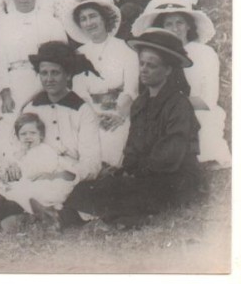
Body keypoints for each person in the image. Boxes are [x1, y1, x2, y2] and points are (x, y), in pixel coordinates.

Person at [54, 29, 199, 231]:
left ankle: (103, 220)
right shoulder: (140, 102)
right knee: (91, 186)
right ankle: (79, 217)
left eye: (152, 65)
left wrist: (135, 173)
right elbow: (132, 146)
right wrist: (126, 169)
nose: (144, 70)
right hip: (143, 173)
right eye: (142, 64)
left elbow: (170, 154)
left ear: (168, 70)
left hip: (173, 177)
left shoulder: (179, 104)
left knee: (126, 190)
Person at [0, 41, 101, 217]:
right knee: (7, 182)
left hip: (68, 173)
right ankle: (29, 209)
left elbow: (92, 161)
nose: (49, 79)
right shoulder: (32, 107)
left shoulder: (82, 110)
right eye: (44, 73)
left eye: (55, 73)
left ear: (67, 75)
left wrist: (60, 175)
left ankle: (23, 211)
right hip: (35, 167)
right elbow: (16, 144)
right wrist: (12, 163)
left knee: (67, 193)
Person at [132, 0, 231, 167]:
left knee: (199, 123)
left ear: (188, 26)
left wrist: (173, 106)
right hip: (160, 110)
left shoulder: (205, 53)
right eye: (168, 24)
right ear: (161, 28)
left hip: (197, 109)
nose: (174, 28)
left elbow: (208, 100)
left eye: (179, 22)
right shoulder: (155, 54)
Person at [63, 0, 138, 168]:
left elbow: (131, 90)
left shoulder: (126, 49)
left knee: (112, 143)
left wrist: (118, 115)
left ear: (104, 18)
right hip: (90, 114)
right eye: (83, 19)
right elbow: (80, 93)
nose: (89, 23)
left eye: (93, 16)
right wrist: (94, 117)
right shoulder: (79, 54)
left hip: (121, 112)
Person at [0, 0, 66, 114]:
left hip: (45, 82)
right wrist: (5, 92)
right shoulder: (1, 24)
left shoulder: (51, 22)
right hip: (14, 83)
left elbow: (62, 59)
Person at [0, 112, 65, 232]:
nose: (28, 137)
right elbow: (5, 166)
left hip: (32, 187)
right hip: (14, 187)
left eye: (32, 133)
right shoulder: (17, 152)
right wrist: (5, 173)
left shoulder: (45, 150)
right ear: (18, 137)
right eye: (23, 134)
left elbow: (46, 169)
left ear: (40, 136)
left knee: (23, 196)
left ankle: (11, 212)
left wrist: (22, 171)